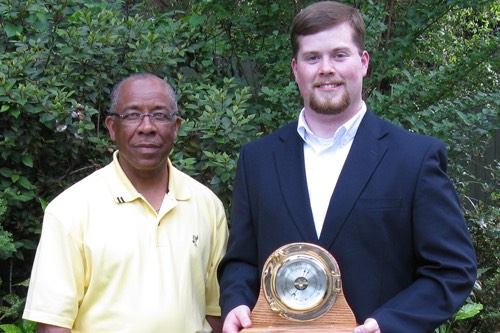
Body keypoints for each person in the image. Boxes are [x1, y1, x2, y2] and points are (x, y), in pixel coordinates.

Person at [217, 1, 477, 333]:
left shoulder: (414, 158)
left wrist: (386, 324)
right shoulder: (257, 159)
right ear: (296, 68)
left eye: (340, 55)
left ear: (363, 62)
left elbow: (451, 269)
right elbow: (242, 260)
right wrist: (237, 301)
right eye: (313, 57)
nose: (326, 68)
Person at [23, 73, 228, 333]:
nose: (147, 127)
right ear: (111, 127)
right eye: (132, 115)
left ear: (176, 127)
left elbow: (215, 313)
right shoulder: (69, 210)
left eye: (159, 115)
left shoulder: (207, 205)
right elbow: (53, 325)